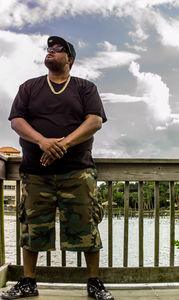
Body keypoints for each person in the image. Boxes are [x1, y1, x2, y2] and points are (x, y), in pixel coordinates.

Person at [1, 36, 114, 300]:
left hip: (77, 171)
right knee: (32, 227)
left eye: (58, 49)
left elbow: (95, 121)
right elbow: (16, 120)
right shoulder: (29, 87)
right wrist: (42, 141)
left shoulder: (85, 88)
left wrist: (61, 145)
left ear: (70, 59)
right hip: (35, 172)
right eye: (49, 49)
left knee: (86, 225)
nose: (51, 52)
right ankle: (28, 282)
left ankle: (94, 283)